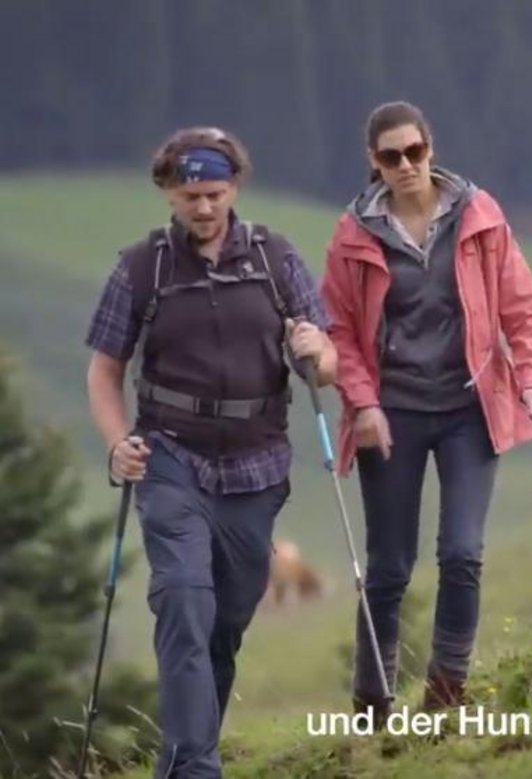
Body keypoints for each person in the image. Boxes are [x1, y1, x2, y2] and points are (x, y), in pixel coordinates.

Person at [84, 126, 336, 777]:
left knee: (224, 623)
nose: (202, 207)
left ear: (235, 188)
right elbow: (104, 369)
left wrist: (316, 353)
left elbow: (326, 358)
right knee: (183, 596)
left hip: (257, 464)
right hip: (171, 456)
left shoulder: (276, 259)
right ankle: (199, 766)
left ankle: (181, 759)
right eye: (190, 194)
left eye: (214, 193)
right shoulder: (141, 268)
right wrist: (118, 445)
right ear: (168, 192)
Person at [320, 100, 532, 717]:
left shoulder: (479, 217)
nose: (406, 166)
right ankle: (373, 707)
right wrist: (363, 404)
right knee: (390, 566)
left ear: (431, 148)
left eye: (415, 152)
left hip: (468, 409)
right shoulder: (353, 235)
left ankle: (446, 698)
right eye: (391, 157)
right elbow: (339, 331)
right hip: (390, 413)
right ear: (374, 162)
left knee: (462, 553)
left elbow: (524, 312)